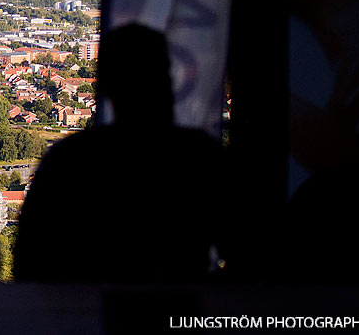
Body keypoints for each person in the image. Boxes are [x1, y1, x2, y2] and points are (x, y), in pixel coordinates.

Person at [13, 23, 227, 283]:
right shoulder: (200, 157)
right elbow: (254, 255)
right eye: (163, 74)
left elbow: (28, 264)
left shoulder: (70, 161)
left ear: (104, 86)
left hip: (85, 316)